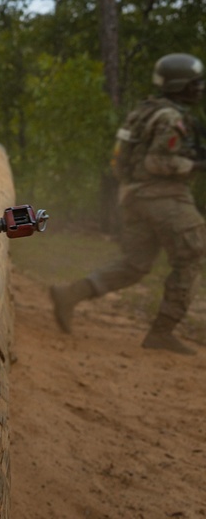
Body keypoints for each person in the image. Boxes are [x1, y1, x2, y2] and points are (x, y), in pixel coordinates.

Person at [50, 52, 206, 355]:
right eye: (195, 83)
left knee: (135, 265)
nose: (199, 88)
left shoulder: (146, 110)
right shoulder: (172, 117)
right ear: (180, 85)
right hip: (163, 196)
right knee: (192, 253)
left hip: (133, 196)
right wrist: (197, 165)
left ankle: (69, 295)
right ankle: (162, 331)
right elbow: (159, 161)